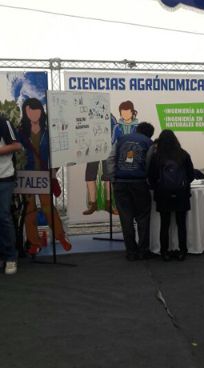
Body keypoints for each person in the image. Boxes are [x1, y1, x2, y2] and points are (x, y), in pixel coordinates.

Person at [17, 98, 71, 256]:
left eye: (36, 110)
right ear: (25, 112)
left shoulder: (49, 132)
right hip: (26, 176)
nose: (33, 113)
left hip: (44, 175)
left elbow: (58, 153)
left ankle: (60, 236)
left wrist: (54, 170)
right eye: (29, 110)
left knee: (48, 207)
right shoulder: (20, 132)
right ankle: (34, 242)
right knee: (29, 210)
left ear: (41, 111)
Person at [82, 101, 139, 215]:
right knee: (90, 175)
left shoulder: (111, 118)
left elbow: (113, 136)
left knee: (108, 176)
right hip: (92, 149)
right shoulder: (87, 116)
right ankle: (93, 204)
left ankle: (109, 203)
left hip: (106, 149)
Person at [106, 120, 153, 261]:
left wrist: (114, 179)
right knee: (143, 218)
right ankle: (143, 251)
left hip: (121, 183)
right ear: (149, 134)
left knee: (126, 219)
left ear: (137, 129)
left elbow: (110, 160)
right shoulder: (148, 143)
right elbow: (150, 163)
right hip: (139, 183)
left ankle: (131, 252)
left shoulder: (120, 140)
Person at [148, 130, 194, 262]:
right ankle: (182, 252)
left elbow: (151, 177)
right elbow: (191, 176)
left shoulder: (157, 156)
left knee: (165, 224)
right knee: (181, 224)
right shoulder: (184, 154)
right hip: (181, 194)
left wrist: (158, 186)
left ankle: (164, 252)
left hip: (163, 194)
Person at [0, 116, 22, 274]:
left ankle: (10, 257)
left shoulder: (3, 122)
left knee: (3, 216)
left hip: (4, 177)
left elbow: (16, 145)